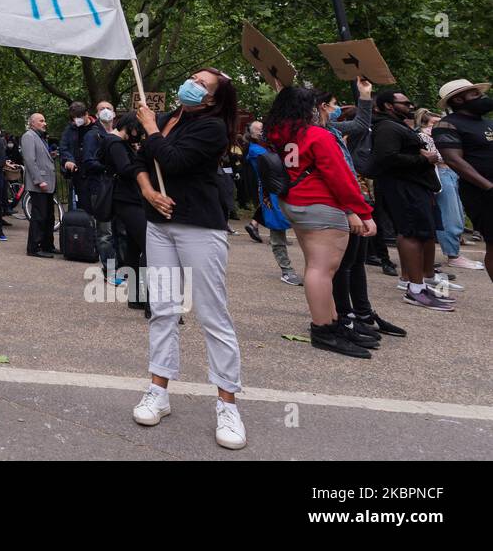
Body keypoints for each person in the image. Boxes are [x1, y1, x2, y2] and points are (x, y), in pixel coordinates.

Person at [130, 67, 246, 450]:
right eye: (192, 78)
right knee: (163, 308)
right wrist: (149, 193)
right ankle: (158, 390)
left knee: (213, 314)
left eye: (201, 84)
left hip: (198, 225)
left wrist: (148, 128)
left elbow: (175, 161)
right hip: (158, 224)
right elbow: (140, 164)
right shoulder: (165, 120)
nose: (191, 85)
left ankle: (227, 404)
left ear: (212, 98)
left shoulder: (212, 128)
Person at [265, 87, 379, 357]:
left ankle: (331, 323)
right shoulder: (317, 135)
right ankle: (324, 329)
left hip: (293, 202)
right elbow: (341, 178)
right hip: (320, 205)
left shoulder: (278, 134)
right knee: (321, 270)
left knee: (316, 267)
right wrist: (362, 211)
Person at [319, 91, 405, 341]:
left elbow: (360, 124)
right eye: (334, 104)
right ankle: (346, 317)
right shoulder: (316, 133)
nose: (337, 109)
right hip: (340, 204)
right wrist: (349, 210)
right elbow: (331, 175)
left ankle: (364, 313)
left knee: (356, 261)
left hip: (356, 196)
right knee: (342, 265)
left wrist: (365, 95)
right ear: (323, 106)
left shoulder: (332, 129)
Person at [372, 89, 453, 311]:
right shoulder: (387, 127)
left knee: (419, 233)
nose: (410, 106)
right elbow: (386, 158)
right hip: (404, 188)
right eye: (405, 103)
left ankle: (418, 283)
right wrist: (422, 158)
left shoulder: (395, 125)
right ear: (389, 105)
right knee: (410, 233)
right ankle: (415, 289)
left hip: (414, 186)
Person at [432, 79, 493, 283]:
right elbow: (453, 160)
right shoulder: (447, 124)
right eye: (475, 94)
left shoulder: (487, 123)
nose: (482, 97)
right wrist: (488, 186)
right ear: (458, 99)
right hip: (482, 193)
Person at [417, 106, 481, 274]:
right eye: (435, 122)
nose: (438, 126)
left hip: (451, 173)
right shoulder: (424, 136)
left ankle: (455, 253)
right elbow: (433, 157)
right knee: (449, 216)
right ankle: (453, 256)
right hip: (442, 174)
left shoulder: (441, 136)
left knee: (457, 214)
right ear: (425, 123)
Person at [98, 112, 149, 314]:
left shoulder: (114, 142)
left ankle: (137, 297)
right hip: (127, 199)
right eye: (137, 130)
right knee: (147, 245)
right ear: (130, 127)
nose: (138, 134)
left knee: (135, 248)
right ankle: (149, 299)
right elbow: (126, 169)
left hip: (126, 199)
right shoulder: (116, 144)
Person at [243, 121, 302, 286]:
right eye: (258, 129)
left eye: (263, 128)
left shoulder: (271, 146)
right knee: (277, 231)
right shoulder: (256, 150)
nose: (262, 131)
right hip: (271, 193)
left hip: (286, 191)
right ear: (251, 133)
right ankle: (287, 270)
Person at [83, 100, 123, 283]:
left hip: (117, 189)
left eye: (109, 108)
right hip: (100, 188)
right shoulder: (93, 135)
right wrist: (109, 167)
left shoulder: (118, 133)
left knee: (119, 231)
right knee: (105, 232)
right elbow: (89, 161)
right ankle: (110, 271)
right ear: (96, 114)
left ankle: (120, 267)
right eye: (101, 109)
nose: (106, 111)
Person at [22, 112, 58, 258]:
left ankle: (47, 245)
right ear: (32, 123)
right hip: (40, 184)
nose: (45, 123)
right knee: (39, 216)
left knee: (49, 216)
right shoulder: (28, 136)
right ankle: (33, 248)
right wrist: (39, 180)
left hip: (48, 183)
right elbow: (30, 160)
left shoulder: (40, 137)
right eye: (41, 121)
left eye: (44, 120)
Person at [59, 101, 94, 209]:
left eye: (79, 117)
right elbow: (64, 148)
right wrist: (69, 161)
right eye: (74, 118)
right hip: (78, 174)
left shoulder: (96, 128)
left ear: (86, 114)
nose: (76, 120)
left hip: (94, 174)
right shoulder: (69, 130)